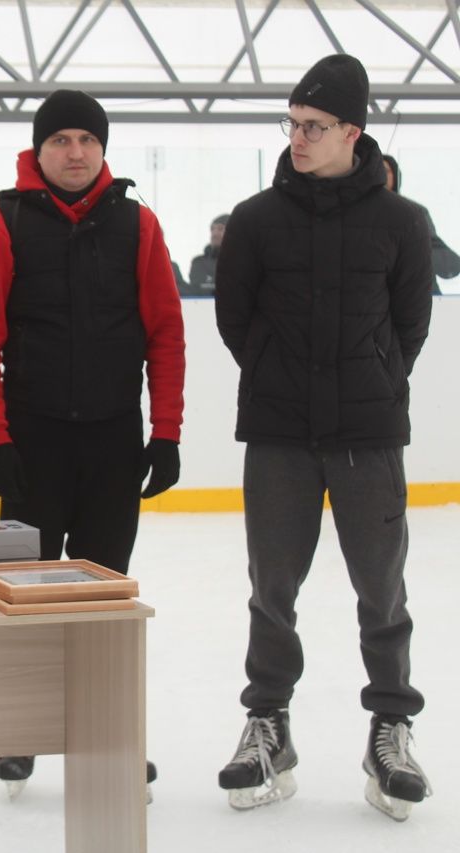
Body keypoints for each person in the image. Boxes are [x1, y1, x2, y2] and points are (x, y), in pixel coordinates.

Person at [214, 55, 434, 820]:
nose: (297, 138)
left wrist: (368, 378)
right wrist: (281, 374)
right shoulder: (255, 219)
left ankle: (391, 726)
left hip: (369, 436)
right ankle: (268, 723)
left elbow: (410, 327)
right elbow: (235, 320)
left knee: (382, 590)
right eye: (293, 124)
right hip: (278, 434)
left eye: (313, 127)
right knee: (272, 589)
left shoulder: (404, 222)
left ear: (353, 132)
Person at [0, 89, 185, 797]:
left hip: (114, 443)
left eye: (87, 139)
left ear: (103, 148)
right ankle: (22, 730)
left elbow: (166, 336)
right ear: (40, 149)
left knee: (103, 600)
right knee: (22, 596)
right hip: (32, 443)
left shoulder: (139, 225)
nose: (76, 152)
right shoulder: (3, 227)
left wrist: (166, 432)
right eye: (62, 141)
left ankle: (110, 732)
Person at [382, 154, 459, 294]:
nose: (381, 174)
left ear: (395, 176)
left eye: (385, 170)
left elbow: (445, 262)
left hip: (419, 292)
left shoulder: (415, 212)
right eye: (377, 169)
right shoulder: (355, 214)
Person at [186, 213, 228, 296]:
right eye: (212, 229)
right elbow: (196, 290)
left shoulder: (241, 262)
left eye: (220, 229)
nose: (214, 234)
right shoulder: (198, 262)